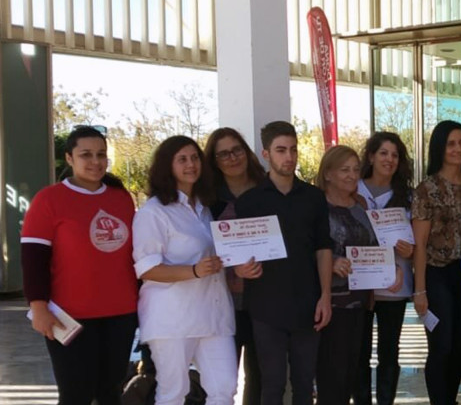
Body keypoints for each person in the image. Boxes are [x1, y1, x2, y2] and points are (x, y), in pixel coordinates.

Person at [22, 126, 138, 405]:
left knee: (110, 393)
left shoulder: (121, 198)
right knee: (75, 395)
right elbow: (33, 258)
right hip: (68, 316)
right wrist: (38, 307)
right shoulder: (48, 199)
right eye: (86, 154)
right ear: (69, 158)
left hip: (121, 314)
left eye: (101, 154)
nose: (95, 161)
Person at [233, 121, 334, 405]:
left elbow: (323, 248)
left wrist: (325, 296)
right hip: (266, 307)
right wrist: (239, 268)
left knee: (304, 384)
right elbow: (237, 253)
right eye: (280, 150)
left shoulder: (314, 197)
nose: (288, 157)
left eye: (292, 149)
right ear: (266, 154)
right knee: (272, 384)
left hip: (308, 303)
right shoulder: (249, 202)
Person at [133, 135, 237, 405]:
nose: (191, 164)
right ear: (167, 166)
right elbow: (147, 269)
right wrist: (193, 271)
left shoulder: (204, 209)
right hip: (172, 319)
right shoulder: (153, 213)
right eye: (182, 159)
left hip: (214, 315)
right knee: (173, 393)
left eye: (195, 158)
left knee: (224, 388)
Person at [412, 120, 461, 405]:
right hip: (436, 274)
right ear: (440, 148)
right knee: (441, 345)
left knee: (460, 345)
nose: (458, 149)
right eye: (451, 143)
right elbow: (419, 244)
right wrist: (419, 291)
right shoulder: (427, 188)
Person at [315, 145, 394, 405]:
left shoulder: (360, 208)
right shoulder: (315, 206)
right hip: (329, 304)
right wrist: (332, 261)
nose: (351, 175)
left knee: (351, 375)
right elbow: (303, 249)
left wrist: (389, 272)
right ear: (327, 174)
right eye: (344, 170)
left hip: (360, 303)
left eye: (355, 170)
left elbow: (372, 249)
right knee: (331, 378)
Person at [204, 127, 268, 405]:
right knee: (223, 378)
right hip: (223, 301)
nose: (232, 158)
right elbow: (200, 250)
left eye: (237, 150)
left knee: (261, 376)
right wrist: (232, 271)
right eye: (223, 154)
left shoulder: (269, 189)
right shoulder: (206, 199)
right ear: (214, 161)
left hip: (267, 299)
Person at [353, 132, 416, 405]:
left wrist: (410, 252)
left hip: (394, 285)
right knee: (360, 352)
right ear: (371, 156)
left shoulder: (408, 196)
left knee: (389, 352)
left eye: (394, 154)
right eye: (383, 153)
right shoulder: (352, 189)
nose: (389, 159)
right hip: (360, 284)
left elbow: (417, 240)